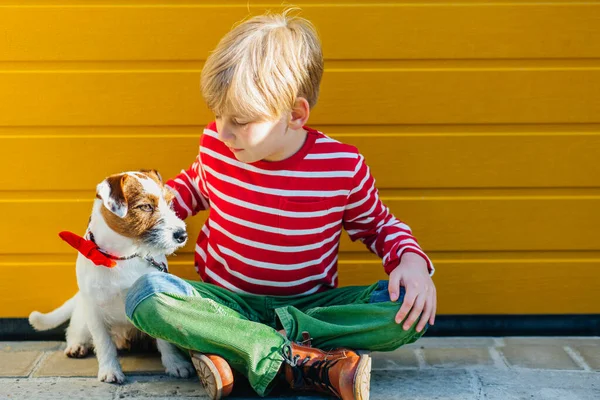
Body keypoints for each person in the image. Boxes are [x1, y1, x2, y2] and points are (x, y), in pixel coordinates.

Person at [125, 8, 437, 400]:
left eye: (240, 120)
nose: (224, 130)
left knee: (407, 312)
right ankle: (303, 361)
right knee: (145, 294)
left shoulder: (341, 167)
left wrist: (411, 261)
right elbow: (189, 190)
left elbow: (378, 226)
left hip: (310, 308)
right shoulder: (218, 147)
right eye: (218, 115)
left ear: (294, 115)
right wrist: (142, 214)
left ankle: (242, 351)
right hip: (227, 303)